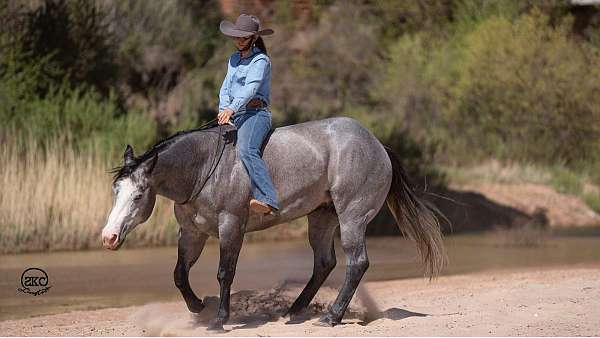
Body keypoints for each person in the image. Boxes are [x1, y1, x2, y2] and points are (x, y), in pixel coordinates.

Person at [217, 14, 279, 215]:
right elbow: (225, 87)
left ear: (253, 38)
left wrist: (231, 109)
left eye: (243, 38)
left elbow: (250, 89)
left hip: (256, 113)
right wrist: (223, 110)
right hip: (235, 113)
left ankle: (268, 199)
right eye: (237, 37)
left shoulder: (261, 61)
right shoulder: (233, 59)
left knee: (246, 149)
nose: (239, 41)